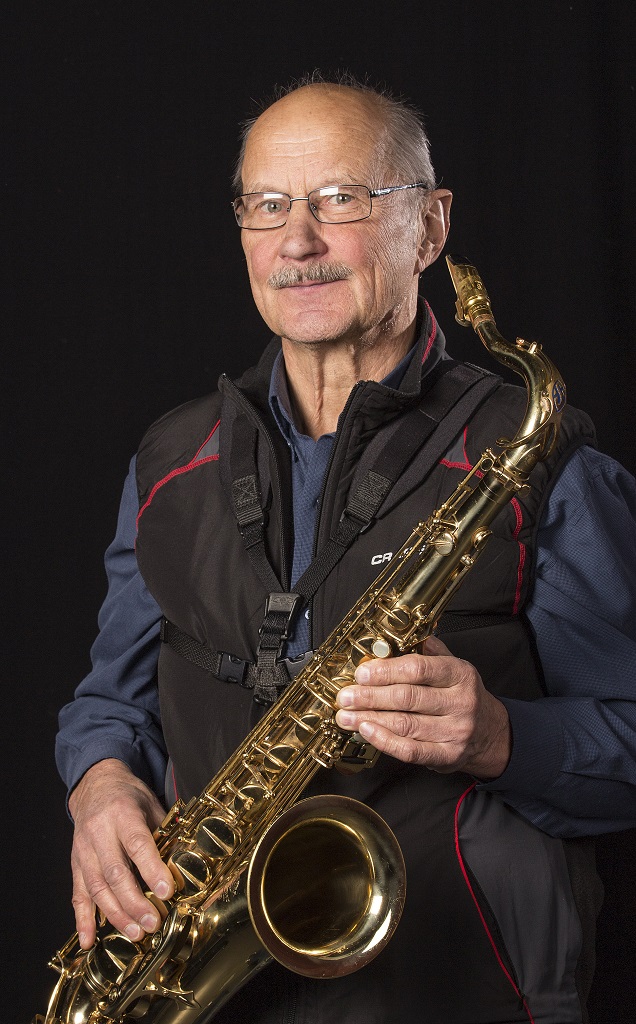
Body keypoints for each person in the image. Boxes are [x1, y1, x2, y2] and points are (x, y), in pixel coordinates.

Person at [56, 76, 636, 1024]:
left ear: (430, 227)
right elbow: (109, 702)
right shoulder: (170, 459)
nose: (298, 241)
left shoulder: (543, 463)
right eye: (267, 205)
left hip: (464, 986)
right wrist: (100, 785)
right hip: (209, 983)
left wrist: (502, 737)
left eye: (341, 199)